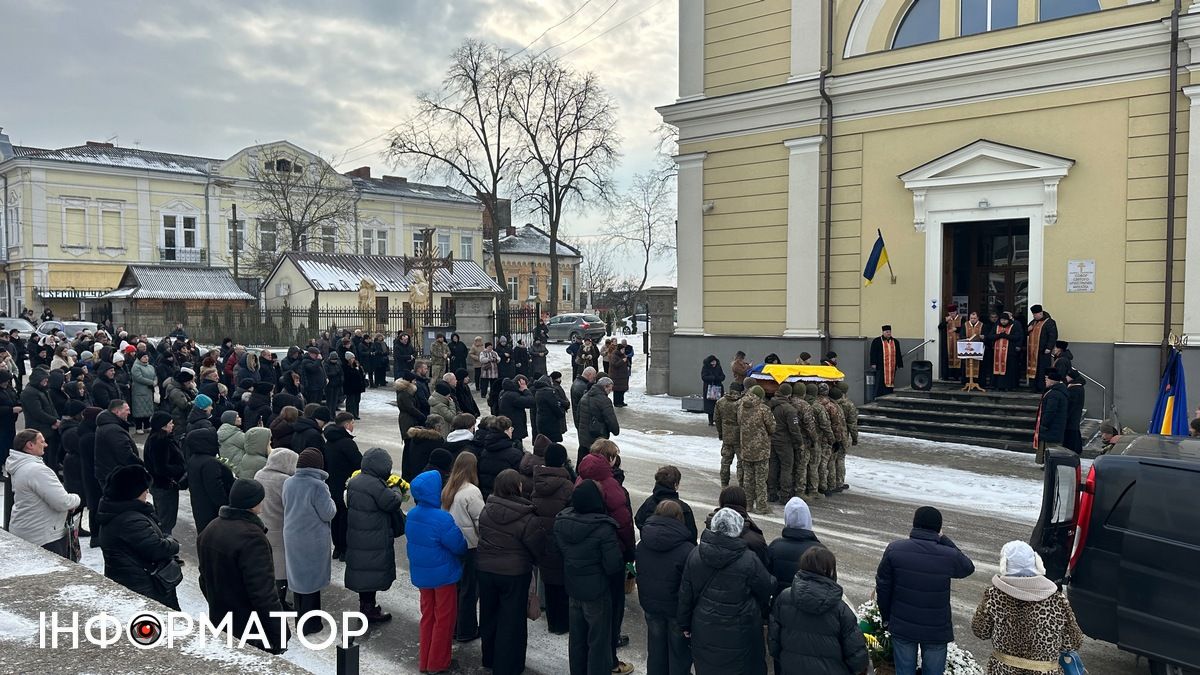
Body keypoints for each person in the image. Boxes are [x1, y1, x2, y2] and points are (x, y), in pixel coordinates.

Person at [876, 506, 975, 675]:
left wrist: (887, 618)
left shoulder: (895, 549)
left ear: (914, 524)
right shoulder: (948, 555)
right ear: (938, 528)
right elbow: (967, 567)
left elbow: (883, 587)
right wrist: (943, 539)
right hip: (936, 628)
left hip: (902, 623)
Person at [197, 478, 289, 654]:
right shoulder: (252, 538)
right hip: (249, 627)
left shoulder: (210, 528)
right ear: (253, 504)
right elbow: (264, 593)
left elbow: (204, 579)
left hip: (220, 619)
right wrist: (279, 633)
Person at [678, 507, 774, 675]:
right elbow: (766, 587)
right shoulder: (748, 559)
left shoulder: (695, 555)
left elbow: (686, 594)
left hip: (704, 627)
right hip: (740, 630)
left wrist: (684, 624)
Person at [971, 541, 1083, 675]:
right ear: (1036, 562)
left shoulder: (994, 595)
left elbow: (980, 631)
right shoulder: (1057, 600)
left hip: (1003, 670)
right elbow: (1073, 641)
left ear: (1004, 564)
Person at [476, 469, 545, 675]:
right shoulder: (527, 516)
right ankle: (508, 666)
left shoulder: (486, 510)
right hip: (514, 574)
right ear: (517, 487)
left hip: (485, 570)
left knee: (489, 614)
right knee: (512, 621)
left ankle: (489, 657)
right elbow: (538, 546)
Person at [555, 479, 624, 675]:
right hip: (597, 591)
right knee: (598, 641)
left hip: (573, 586)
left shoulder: (561, 521)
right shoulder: (603, 528)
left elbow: (559, 551)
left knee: (576, 639)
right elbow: (613, 565)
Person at [769, 546, 870, 675]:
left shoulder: (783, 598)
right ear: (830, 570)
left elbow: (774, 641)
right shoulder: (840, 608)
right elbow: (857, 656)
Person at [408, 469, 469, 674]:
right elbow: (458, 545)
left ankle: (425, 661)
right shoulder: (442, 518)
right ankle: (438, 662)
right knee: (444, 619)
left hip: (423, 575)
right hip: (443, 576)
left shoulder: (413, 515)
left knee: (427, 617)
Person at [97, 464, 181, 610]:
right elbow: (156, 549)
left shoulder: (117, 511)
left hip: (131, 581)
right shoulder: (130, 519)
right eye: (144, 489)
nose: (147, 491)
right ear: (132, 492)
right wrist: (173, 543)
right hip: (144, 586)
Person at [345, 447, 406, 623]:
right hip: (373, 536)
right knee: (370, 572)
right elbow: (391, 502)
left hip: (359, 535)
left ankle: (365, 605)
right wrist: (396, 488)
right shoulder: (373, 484)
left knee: (364, 573)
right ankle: (368, 610)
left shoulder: (356, 481)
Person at [636, 500, 696, 675]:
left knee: (655, 651)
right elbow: (688, 588)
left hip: (651, 607)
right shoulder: (687, 549)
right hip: (676, 611)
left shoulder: (642, 544)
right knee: (679, 655)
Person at [282, 448, 337, 635]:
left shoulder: (288, 482)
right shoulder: (318, 486)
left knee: (299, 580)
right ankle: (311, 623)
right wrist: (334, 501)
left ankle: (300, 619)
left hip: (292, 535)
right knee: (312, 583)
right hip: (312, 539)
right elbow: (328, 513)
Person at [5, 429, 80, 558]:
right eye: (42, 441)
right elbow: (62, 502)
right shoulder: (37, 470)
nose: (46, 445)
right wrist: (76, 498)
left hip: (27, 529)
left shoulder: (20, 466)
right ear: (30, 445)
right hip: (44, 535)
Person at [532, 443, 575, 635]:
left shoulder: (537, 481)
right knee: (562, 583)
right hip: (561, 538)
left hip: (541, 537)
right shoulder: (566, 484)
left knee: (549, 581)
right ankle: (562, 623)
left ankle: (552, 622)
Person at [444, 451, 485, 643]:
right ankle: (467, 629)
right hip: (470, 545)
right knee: (469, 591)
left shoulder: (449, 488)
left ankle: (453, 627)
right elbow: (481, 520)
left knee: (456, 589)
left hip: (452, 545)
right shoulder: (471, 492)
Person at [254, 447, 299, 610]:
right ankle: (279, 601)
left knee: (267, 564)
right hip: (280, 527)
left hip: (261, 524)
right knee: (281, 568)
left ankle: (269, 596)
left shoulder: (259, 474)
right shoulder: (285, 481)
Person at [323, 412, 362, 560]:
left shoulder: (329, 441)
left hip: (331, 484)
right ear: (346, 425)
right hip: (346, 486)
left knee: (336, 517)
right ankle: (344, 549)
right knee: (345, 517)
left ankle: (337, 548)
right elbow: (359, 463)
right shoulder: (347, 443)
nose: (353, 426)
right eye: (352, 423)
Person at [186, 426, 235, 535]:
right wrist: (226, 505)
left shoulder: (194, 459)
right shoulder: (209, 463)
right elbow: (215, 488)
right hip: (212, 511)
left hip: (200, 507)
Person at [143, 412, 186, 537]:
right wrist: (180, 469)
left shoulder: (161, 438)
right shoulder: (160, 441)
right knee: (166, 520)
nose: (173, 425)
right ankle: (165, 545)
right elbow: (161, 468)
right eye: (170, 423)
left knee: (164, 518)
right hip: (165, 486)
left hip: (161, 485)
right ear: (162, 426)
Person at [737, 385, 776, 515]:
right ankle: (761, 506)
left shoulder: (741, 407)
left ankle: (748, 505)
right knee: (761, 479)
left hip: (746, 448)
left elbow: (739, 423)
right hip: (761, 450)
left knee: (748, 479)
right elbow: (772, 428)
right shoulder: (763, 409)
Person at [634, 465, 698, 542]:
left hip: (649, 547)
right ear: (675, 485)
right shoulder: (684, 509)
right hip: (677, 550)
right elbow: (692, 536)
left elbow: (639, 521)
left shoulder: (649, 502)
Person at [767, 382, 806, 504]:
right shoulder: (789, 410)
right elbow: (794, 429)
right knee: (786, 468)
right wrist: (800, 443)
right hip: (785, 442)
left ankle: (771, 493)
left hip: (772, 440)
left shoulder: (769, 405)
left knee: (772, 466)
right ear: (789, 394)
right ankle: (784, 495)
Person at [577, 377, 619, 467]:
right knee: (596, 465)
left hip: (583, 438)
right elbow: (611, 419)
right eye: (610, 389)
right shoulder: (604, 401)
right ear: (605, 386)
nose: (610, 392)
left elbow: (578, 416)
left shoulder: (585, 396)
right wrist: (616, 431)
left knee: (583, 463)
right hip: (598, 438)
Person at [1033, 371, 1069, 464]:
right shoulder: (1057, 392)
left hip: (1051, 427)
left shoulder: (1054, 394)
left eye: (1047, 379)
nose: (1045, 381)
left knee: (1050, 449)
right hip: (1055, 427)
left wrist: (1044, 424)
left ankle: (1050, 465)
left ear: (1052, 381)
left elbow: (1050, 411)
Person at [713, 381, 744, 488]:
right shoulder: (741, 402)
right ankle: (741, 484)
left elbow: (717, 419)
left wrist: (720, 433)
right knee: (741, 463)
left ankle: (724, 483)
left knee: (725, 461)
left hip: (727, 436)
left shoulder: (720, 402)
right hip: (740, 437)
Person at [986, 312, 1023, 392]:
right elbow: (990, 336)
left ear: (1008, 320)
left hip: (1009, 352)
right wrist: (999, 335)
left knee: (1009, 369)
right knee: (997, 369)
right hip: (997, 353)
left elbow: (1017, 337)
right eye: (1002, 320)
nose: (1003, 322)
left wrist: (1006, 336)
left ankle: (1008, 386)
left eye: (1005, 320)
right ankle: (996, 385)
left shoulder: (1013, 326)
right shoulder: (996, 326)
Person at [1025, 305, 1058, 392]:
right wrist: (1028, 330)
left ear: (1041, 313)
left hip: (1043, 351)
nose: (1034, 316)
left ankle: (1042, 387)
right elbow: (1026, 332)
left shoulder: (1049, 322)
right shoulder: (1033, 322)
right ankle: (1033, 387)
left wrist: (1049, 347)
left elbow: (1053, 336)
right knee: (1034, 370)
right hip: (1033, 351)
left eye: (1035, 315)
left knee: (1042, 370)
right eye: (1033, 315)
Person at [499, 375, 535, 449]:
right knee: (516, 449)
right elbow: (531, 402)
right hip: (514, 428)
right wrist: (525, 390)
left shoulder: (504, 392)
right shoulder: (513, 395)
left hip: (509, 426)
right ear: (519, 384)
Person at [869, 325, 904, 397]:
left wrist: (900, 364)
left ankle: (889, 394)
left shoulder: (895, 342)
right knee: (880, 382)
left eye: (889, 332)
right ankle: (878, 396)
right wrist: (873, 363)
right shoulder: (877, 341)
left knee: (891, 381)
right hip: (881, 365)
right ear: (883, 332)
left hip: (892, 366)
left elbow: (898, 353)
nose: (888, 333)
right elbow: (873, 353)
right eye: (887, 332)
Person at [534, 375, 568, 443]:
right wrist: (561, 412)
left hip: (541, 421)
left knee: (544, 442)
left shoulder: (538, 391)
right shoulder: (548, 392)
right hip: (550, 423)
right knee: (552, 442)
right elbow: (555, 406)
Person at [1064, 369, 1086, 455]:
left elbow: (1070, 405)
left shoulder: (1073, 389)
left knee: (1071, 435)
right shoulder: (1078, 387)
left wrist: (1066, 416)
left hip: (1071, 417)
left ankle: (1073, 451)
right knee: (1074, 432)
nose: (1066, 377)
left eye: (1067, 376)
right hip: (1075, 416)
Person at [701, 355, 725, 426]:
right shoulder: (705, 367)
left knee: (718, 405)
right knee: (710, 406)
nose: (714, 363)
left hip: (718, 388)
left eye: (714, 362)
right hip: (709, 389)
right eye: (712, 362)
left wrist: (718, 378)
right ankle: (710, 421)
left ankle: (717, 420)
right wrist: (712, 378)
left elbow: (723, 376)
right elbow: (703, 377)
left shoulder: (718, 367)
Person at [342, 352, 367, 419]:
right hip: (350, 386)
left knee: (357, 401)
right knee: (351, 401)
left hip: (358, 386)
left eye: (353, 358)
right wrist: (355, 370)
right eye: (352, 358)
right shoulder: (346, 366)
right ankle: (350, 415)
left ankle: (356, 414)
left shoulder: (356, 364)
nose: (353, 359)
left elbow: (361, 374)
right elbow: (349, 375)